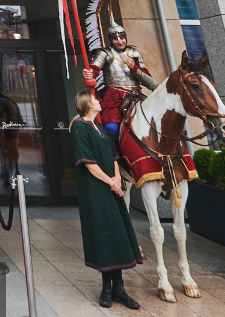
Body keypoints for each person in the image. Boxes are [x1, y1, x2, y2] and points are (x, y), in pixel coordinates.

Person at [71, 91, 142, 310]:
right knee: (104, 233)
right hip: (95, 188)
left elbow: (113, 157)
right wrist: (110, 182)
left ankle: (119, 288)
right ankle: (107, 287)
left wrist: (117, 178)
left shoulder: (100, 128)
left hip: (111, 185)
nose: (98, 101)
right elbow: (89, 163)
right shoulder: (80, 127)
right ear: (87, 104)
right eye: (94, 100)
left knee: (116, 231)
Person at [82, 0, 156, 139]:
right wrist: (89, 74)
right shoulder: (106, 53)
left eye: (122, 37)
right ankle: (116, 156)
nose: (120, 41)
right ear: (111, 39)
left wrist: (134, 67)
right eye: (116, 38)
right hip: (114, 99)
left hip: (136, 96)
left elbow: (151, 83)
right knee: (112, 128)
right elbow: (94, 70)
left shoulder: (134, 53)